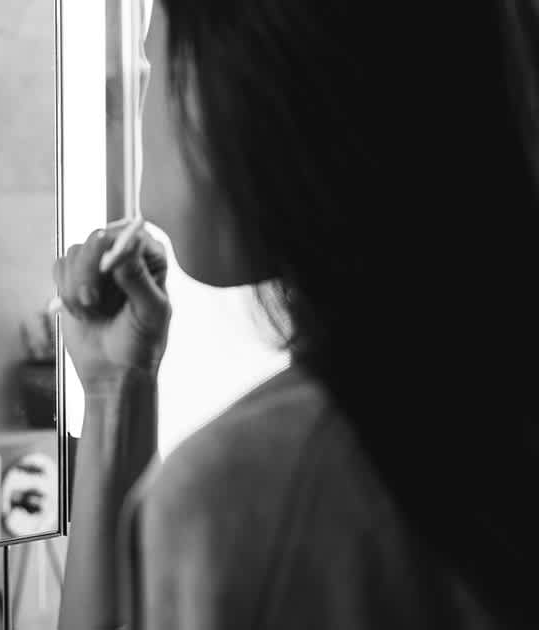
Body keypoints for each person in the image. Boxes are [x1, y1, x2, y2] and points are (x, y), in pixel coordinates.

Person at [57, 0, 537, 628]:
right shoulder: (486, 395)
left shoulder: (246, 495)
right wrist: (116, 388)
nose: (139, 107)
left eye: (151, 63)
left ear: (242, 86)